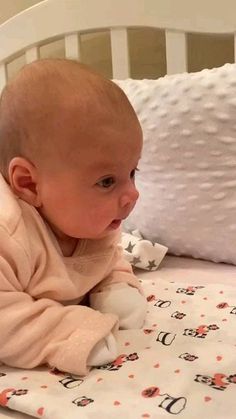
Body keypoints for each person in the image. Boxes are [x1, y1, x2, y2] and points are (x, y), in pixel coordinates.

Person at [0, 58, 146, 376]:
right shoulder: (7, 235)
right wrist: (67, 331)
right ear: (28, 183)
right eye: (107, 181)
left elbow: (105, 259)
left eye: (132, 172)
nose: (133, 194)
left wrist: (116, 284)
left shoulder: (91, 222)